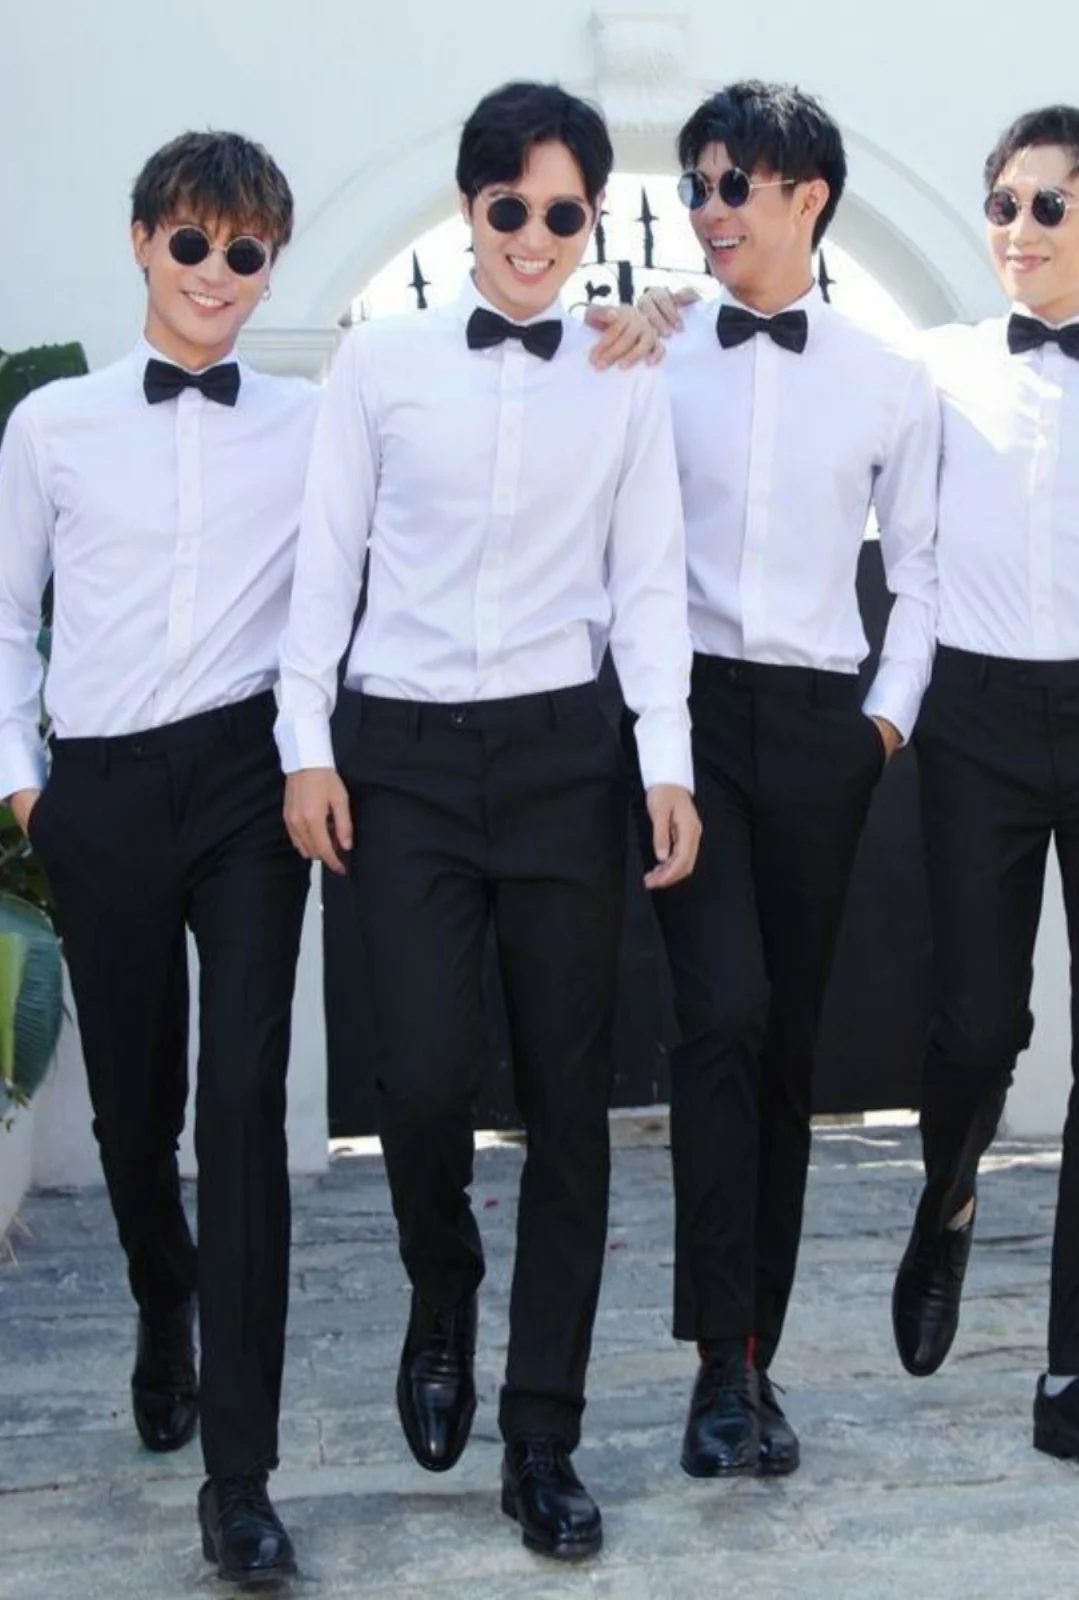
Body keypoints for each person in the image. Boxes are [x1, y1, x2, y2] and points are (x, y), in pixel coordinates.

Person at [276, 80, 699, 1561]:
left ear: (593, 220)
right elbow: (324, 560)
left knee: (572, 1103)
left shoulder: (626, 369)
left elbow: (649, 577)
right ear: (469, 208)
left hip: (563, 758)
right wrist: (307, 743)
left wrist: (665, 760)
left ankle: (543, 1435)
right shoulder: (380, 363)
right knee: (420, 1073)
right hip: (399, 757)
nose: (534, 236)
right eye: (509, 207)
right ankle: (441, 1285)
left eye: (563, 213)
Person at [0, 131, 317, 1583]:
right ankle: (159, 1294)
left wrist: (637, 327)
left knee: (240, 1108)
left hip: (251, 784)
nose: (214, 273)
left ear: (270, 269)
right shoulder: (53, 426)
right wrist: (29, 793)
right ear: (142, 240)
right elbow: (5, 617)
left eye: (244, 252)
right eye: (191, 241)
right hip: (106, 791)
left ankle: (239, 1480)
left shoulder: (311, 421)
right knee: (137, 1115)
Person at [891, 105, 1079, 1482]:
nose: (1017, 229)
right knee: (974, 1025)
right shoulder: (937, 365)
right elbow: (894, 540)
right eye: (1003, 204)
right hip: (975, 719)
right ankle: (949, 1194)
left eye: (1048, 206)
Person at [636, 81, 939, 1478]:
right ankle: (716, 1362)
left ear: (807, 196)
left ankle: (754, 1354)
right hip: (686, 716)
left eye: (732, 185)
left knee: (788, 1046)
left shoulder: (888, 376)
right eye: (695, 185)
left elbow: (922, 571)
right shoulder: (653, 352)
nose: (707, 209)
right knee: (722, 1017)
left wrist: (882, 725)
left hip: (823, 725)